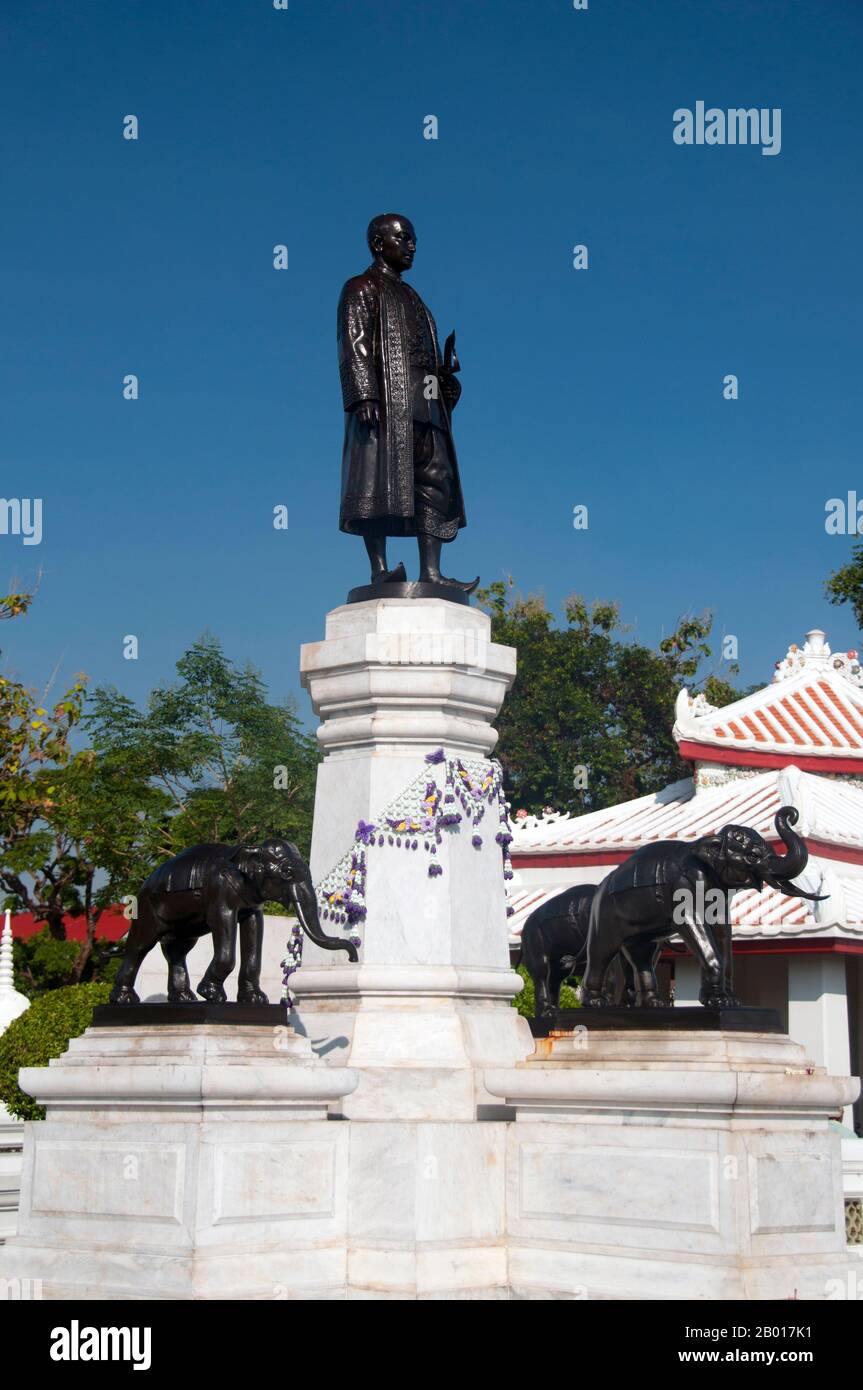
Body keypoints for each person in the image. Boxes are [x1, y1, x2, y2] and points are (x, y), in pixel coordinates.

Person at [337, 213, 477, 591]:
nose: (412, 246)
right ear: (379, 243)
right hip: (386, 403)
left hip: (426, 406)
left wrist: (446, 385)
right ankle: (379, 570)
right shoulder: (361, 287)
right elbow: (356, 346)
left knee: (436, 481)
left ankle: (431, 572)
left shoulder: (416, 298)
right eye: (405, 238)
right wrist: (363, 394)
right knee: (377, 480)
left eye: (414, 239)